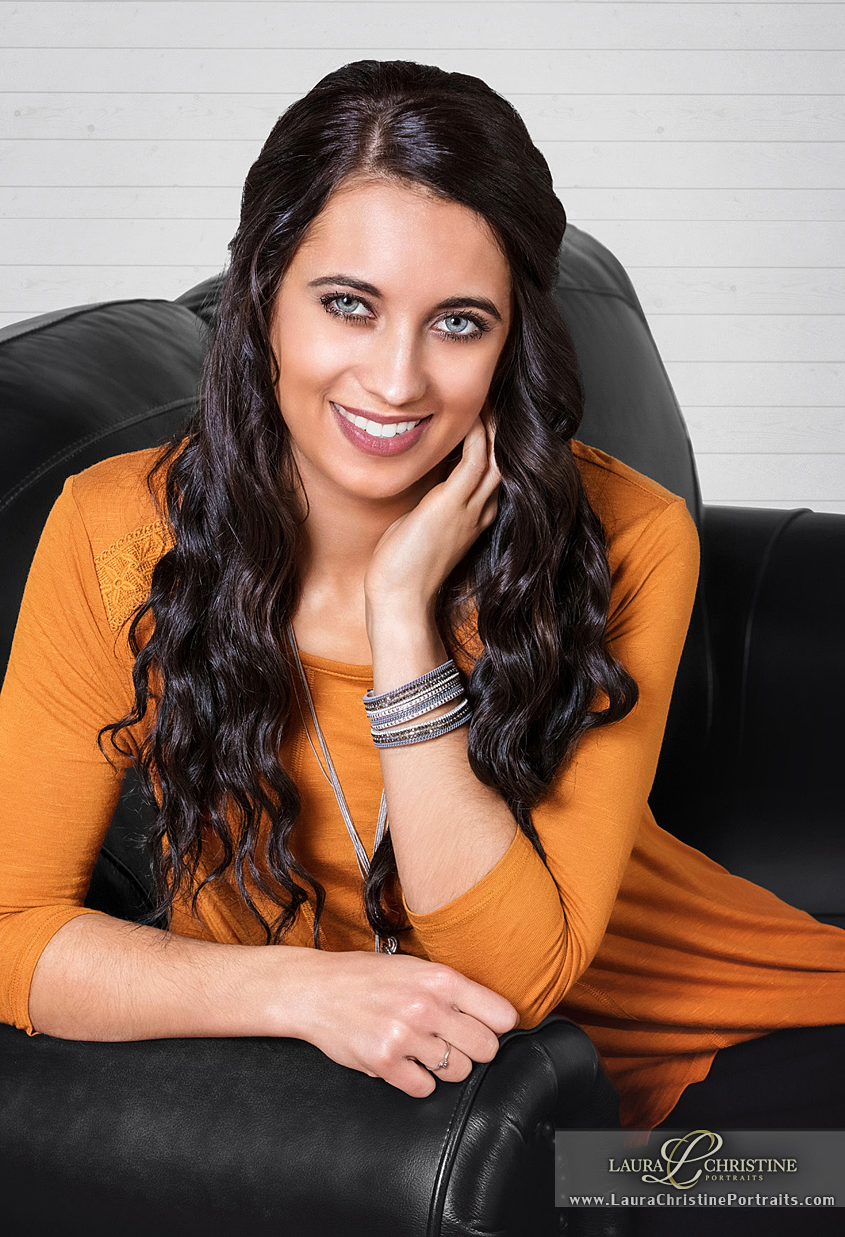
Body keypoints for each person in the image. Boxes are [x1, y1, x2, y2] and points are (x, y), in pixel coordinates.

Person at [1, 58, 844, 1181]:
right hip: (499, 1131)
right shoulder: (118, 534)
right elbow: (13, 931)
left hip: (746, 1039)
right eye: (347, 304)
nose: (397, 381)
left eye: (457, 322)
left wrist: (403, 622)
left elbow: (515, 974)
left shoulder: (626, 535)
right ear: (263, 298)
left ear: (510, 341)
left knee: (740, 1198)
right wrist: (298, 991)